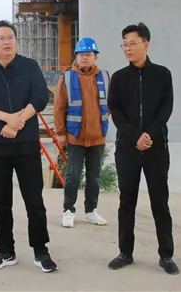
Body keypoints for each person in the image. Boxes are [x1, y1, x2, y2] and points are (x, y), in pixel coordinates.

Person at [0, 20, 58, 273]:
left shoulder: (29, 66)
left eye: (11, 37)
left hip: (26, 144)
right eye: (1, 38)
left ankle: (41, 251)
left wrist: (17, 121)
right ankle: (6, 251)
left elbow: (40, 97)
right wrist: (7, 118)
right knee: (1, 203)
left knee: (34, 201)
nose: (7, 42)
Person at [106, 22, 179, 275]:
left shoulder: (162, 74)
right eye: (124, 44)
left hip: (156, 148)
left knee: (160, 202)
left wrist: (149, 135)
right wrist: (135, 136)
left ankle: (166, 255)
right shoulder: (119, 77)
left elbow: (166, 108)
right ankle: (125, 253)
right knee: (126, 202)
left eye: (132, 43)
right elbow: (116, 112)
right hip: (127, 149)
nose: (127, 48)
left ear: (146, 44)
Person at [54, 37, 109, 228]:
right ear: (76, 57)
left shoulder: (105, 77)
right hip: (75, 137)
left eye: (88, 54)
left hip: (97, 137)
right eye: (81, 54)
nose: (84, 58)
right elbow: (59, 107)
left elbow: (110, 104)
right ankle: (68, 210)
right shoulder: (67, 78)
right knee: (73, 176)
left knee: (94, 177)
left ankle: (91, 211)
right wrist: (61, 133)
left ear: (95, 57)